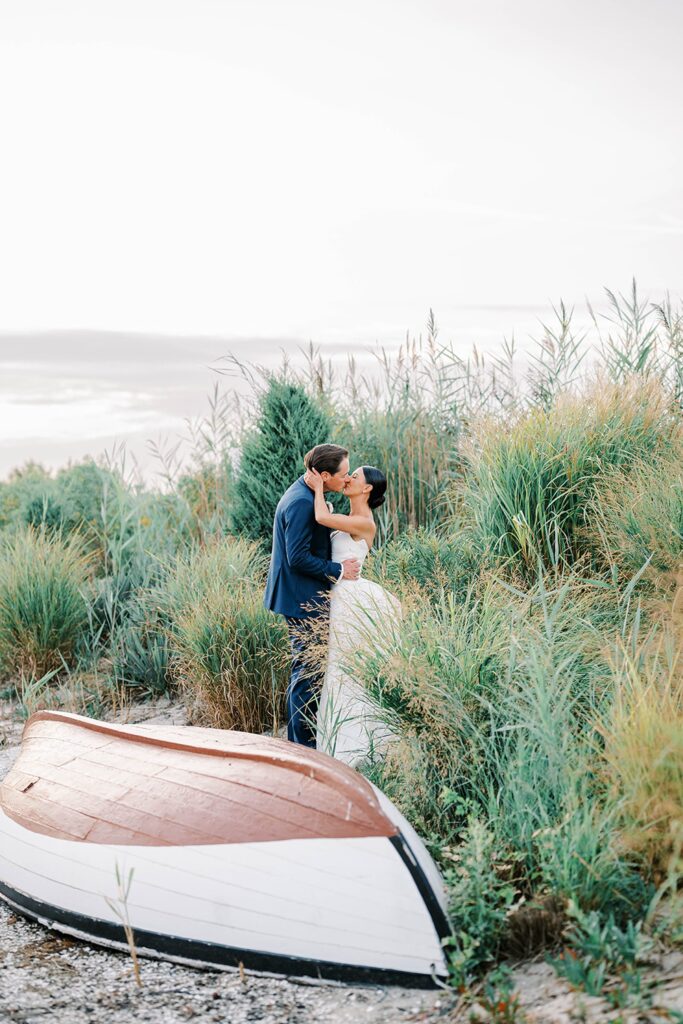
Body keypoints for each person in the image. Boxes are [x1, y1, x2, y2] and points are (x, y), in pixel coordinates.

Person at [263, 443, 361, 748]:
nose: (346, 480)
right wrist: (340, 570)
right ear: (322, 475)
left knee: (308, 670)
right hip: (301, 598)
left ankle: (304, 742)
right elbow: (297, 558)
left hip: (303, 594)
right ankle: (302, 748)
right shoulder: (301, 504)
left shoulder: (307, 495)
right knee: (306, 674)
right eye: (342, 475)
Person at [304, 464, 401, 767]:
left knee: (347, 668)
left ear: (367, 488)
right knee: (338, 667)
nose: (347, 479)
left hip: (352, 599)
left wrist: (319, 486)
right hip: (340, 596)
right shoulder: (347, 517)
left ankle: (356, 746)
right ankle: (338, 741)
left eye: (354, 476)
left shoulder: (364, 522)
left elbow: (320, 517)